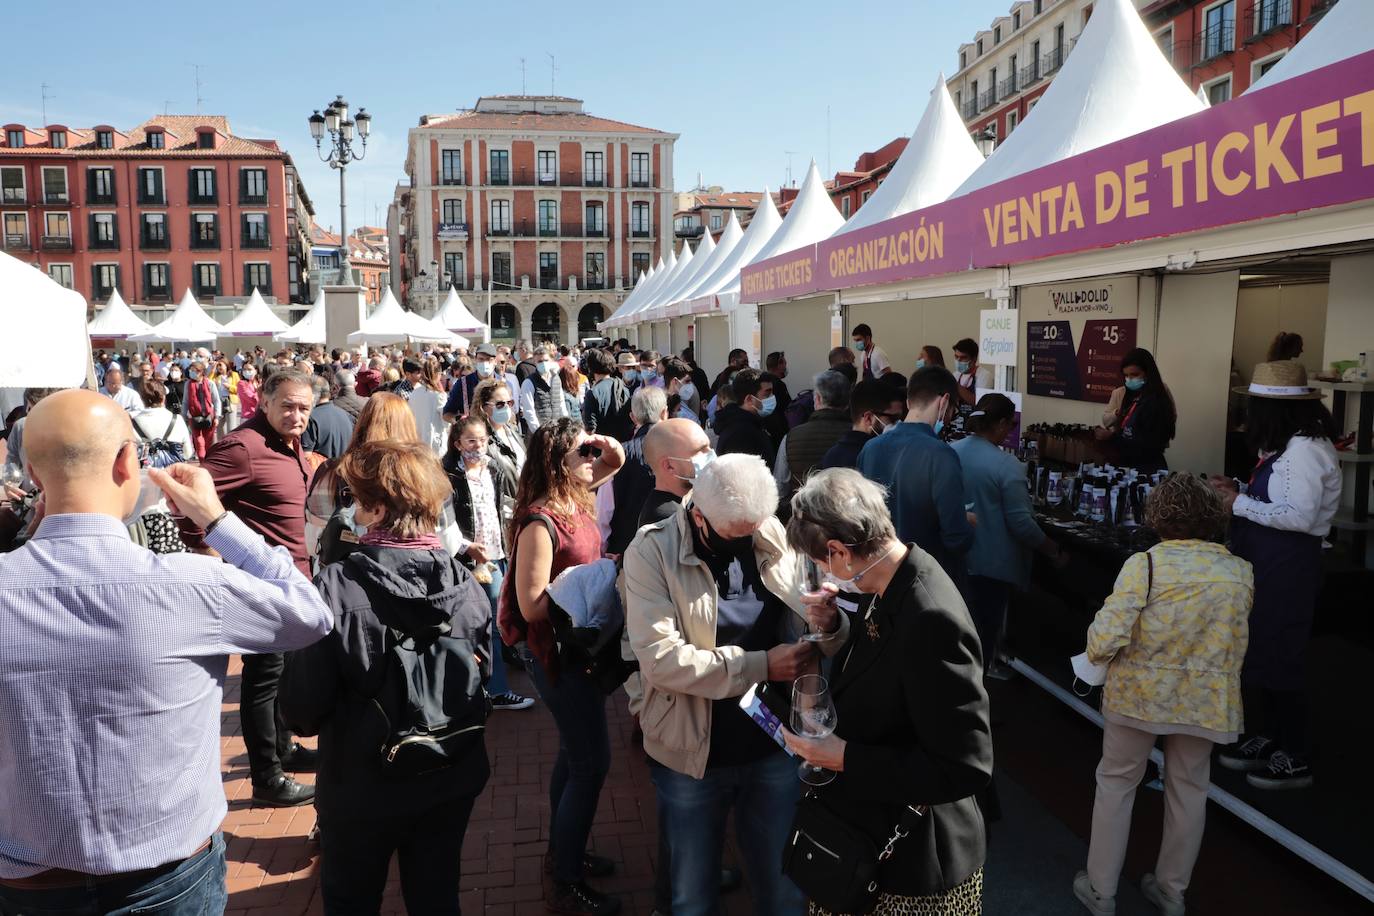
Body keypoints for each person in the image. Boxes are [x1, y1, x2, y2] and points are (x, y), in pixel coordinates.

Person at [0, 389, 331, 916]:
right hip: (166, 875)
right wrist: (217, 519)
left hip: (31, 879)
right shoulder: (191, 584)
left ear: (34, 475)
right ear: (127, 462)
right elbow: (309, 613)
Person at [624, 454, 846, 916]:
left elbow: (812, 627)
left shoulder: (769, 533)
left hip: (774, 745)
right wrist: (762, 665)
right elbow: (663, 662)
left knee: (783, 886)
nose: (748, 541)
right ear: (698, 515)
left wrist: (831, 624)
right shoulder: (651, 551)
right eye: (734, 536)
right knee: (692, 896)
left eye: (755, 528)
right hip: (693, 752)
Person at [281, 441, 490, 914]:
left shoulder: (334, 587)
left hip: (363, 786)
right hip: (450, 771)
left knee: (352, 901)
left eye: (355, 499)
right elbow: (481, 678)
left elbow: (302, 710)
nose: (352, 509)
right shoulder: (465, 583)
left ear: (375, 508)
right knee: (437, 897)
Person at [779, 468, 993, 916]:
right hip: (873, 832)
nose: (823, 572)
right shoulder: (896, 576)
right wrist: (836, 625)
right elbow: (887, 661)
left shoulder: (931, 616)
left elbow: (965, 765)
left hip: (912, 868)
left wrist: (842, 756)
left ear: (839, 551)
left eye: (821, 561)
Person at [1073, 474, 1253, 916]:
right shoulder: (1239, 571)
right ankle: (1172, 892)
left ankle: (1101, 890)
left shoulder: (1146, 565)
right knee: (1189, 791)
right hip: (1205, 700)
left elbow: (1106, 637)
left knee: (1116, 784)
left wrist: (1093, 652)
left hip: (1138, 695)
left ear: (1158, 516)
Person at [499, 418, 625, 915]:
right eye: (580, 454)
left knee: (574, 755)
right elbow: (530, 606)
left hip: (577, 648)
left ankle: (564, 849)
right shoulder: (540, 520)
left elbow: (614, 459)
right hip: (551, 653)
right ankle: (566, 879)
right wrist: (585, 581)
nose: (592, 461)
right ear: (556, 461)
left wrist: (598, 444)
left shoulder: (576, 493)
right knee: (592, 764)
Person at [179, 368, 319, 806]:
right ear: (265, 401)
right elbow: (189, 502)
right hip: (260, 585)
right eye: (289, 406)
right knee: (262, 680)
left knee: (280, 677)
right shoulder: (242, 447)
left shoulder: (290, 444)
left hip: (293, 579)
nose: (297, 415)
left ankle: (284, 749)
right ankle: (267, 776)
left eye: (304, 408)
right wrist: (211, 553)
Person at [1210, 360, 1340, 790]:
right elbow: (1278, 501)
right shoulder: (1289, 448)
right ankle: (1271, 737)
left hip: (1290, 567)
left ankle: (1295, 754)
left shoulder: (1305, 451)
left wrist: (1238, 505)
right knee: (1262, 651)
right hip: (1269, 562)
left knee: (1282, 656)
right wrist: (1239, 490)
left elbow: (1298, 516)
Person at [951, 394, 1066, 677]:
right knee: (982, 639)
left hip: (955, 559)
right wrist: (1054, 551)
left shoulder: (950, 451)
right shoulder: (1006, 466)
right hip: (992, 567)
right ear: (1003, 424)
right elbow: (1022, 525)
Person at [443, 414, 532, 711]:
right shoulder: (450, 477)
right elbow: (446, 521)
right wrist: (467, 548)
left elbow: (498, 508)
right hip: (470, 559)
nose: (478, 446)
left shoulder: (491, 468)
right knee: (488, 623)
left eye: (483, 440)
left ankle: (489, 684)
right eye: (471, 441)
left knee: (496, 618)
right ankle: (496, 689)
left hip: (497, 553)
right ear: (457, 444)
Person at [857, 366, 975, 585]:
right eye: (953, 410)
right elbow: (956, 538)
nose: (950, 418)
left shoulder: (870, 448)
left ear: (909, 402)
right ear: (944, 401)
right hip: (927, 578)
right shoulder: (941, 455)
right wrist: (969, 525)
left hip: (880, 573)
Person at [607, 386, 668, 556]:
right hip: (672, 544)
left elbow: (605, 510)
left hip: (627, 547)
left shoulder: (620, 454)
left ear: (633, 417)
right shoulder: (681, 449)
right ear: (665, 413)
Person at [776, 370, 852, 504]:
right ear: (847, 401)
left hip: (805, 513)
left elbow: (780, 487)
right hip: (848, 513)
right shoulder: (858, 436)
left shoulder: (791, 437)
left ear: (817, 398)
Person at [1095, 348, 1176, 473]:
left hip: (1147, 469)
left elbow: (1146, 446)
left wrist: (1112, 437)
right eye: (1126, 376)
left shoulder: (1156, 401)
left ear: (1148, 373)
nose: (1130, 380)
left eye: (1135, 375)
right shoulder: (1130, 396)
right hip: (1128, 466)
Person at [820, 378, 905, 471]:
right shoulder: (880, 457)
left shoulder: (831, 456)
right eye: (893, 418)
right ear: (868, 418)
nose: (899, 424)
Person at [714, 368, 777, 465]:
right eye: (767, 394)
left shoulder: (752, 424)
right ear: (749, 399)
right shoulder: (740, 434)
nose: (772, 397)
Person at [475, 377, 526, 477]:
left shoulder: (513, 431)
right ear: (483, 407)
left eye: (509, 403)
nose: (506, 407)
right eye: (500, 404)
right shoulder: (481, 441)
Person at [133, 378, 194, 462]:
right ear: (163, 398)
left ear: (142, 399)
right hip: (173, 472)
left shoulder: (132, 422)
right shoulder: (177, 419)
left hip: (144, 472)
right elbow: (188, 453)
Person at [582, 348, 634, 441]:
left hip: (602, 446)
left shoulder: (593, 393)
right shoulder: (623, 387)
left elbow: (590, 429)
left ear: (590, 368)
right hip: (623, 444)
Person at [303, 373, 355, 461]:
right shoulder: (346, 415)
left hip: (322, 472)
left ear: (312, 394)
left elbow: (306, 456)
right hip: (343, 469)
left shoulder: (310, 418)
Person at [521, 345, 570, 432]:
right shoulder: (529, 382)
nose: (543, 363)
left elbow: (561, 403)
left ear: (551, 360)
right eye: (540, 361)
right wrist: (538, 432)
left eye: (546, 360)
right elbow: (529, 411)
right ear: (535, 362)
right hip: (540, 431)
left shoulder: (556, 378)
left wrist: (565, 424)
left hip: (557, 429)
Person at [408, 357, 449, 457]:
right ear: (438, 374)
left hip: (417, 440)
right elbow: (446, 420)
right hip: (434, 443)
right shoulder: (439, 396)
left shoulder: (414, 393)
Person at [443, 343, 494, 423]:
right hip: (472, 433)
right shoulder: (463, 383)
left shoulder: (501, 383)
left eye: (488, 359)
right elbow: (447, 414)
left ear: (495, 361)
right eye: (481, 359)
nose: (485, 363)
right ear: (476, 360)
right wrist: (460, 421)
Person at [182, 360, 222, 460]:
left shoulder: (210, 383)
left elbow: (216, 400)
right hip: (194, 417)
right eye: (191, 370)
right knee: (199, 442)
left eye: (195, 371)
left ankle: (207, 462)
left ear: (201, 371)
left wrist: (217, 416)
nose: (192, 372)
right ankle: (202, 460)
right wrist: (184, 417)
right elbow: (185, 402)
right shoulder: (188, 384)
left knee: (208, 442)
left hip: (209, 417)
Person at [951, 338, 995, 407]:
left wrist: (955, 385)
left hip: (976, 417)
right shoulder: (956, 375)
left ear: (974, 359)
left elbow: (980, 403)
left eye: (963, 357)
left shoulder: (985, 376)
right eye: (956, 357)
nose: (958, 360)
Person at [662, 356, 701, 425]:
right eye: (687, 381)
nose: (690, 385)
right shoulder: (685, 416)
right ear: (675, 381)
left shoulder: (680, 404)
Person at [212, 359, 241, 436]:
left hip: (230, 402)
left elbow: (239, 389)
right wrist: (213, 369)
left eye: (220, 365)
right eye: (217, 365)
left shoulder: (234, 374)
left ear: (226, 365)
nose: (219, 367)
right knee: (219, 426)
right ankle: (221, 445)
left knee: (231, 427)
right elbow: (208, 382)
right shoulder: (216, 376)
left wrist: (229, 387)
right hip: (219, 402)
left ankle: (231, 444)